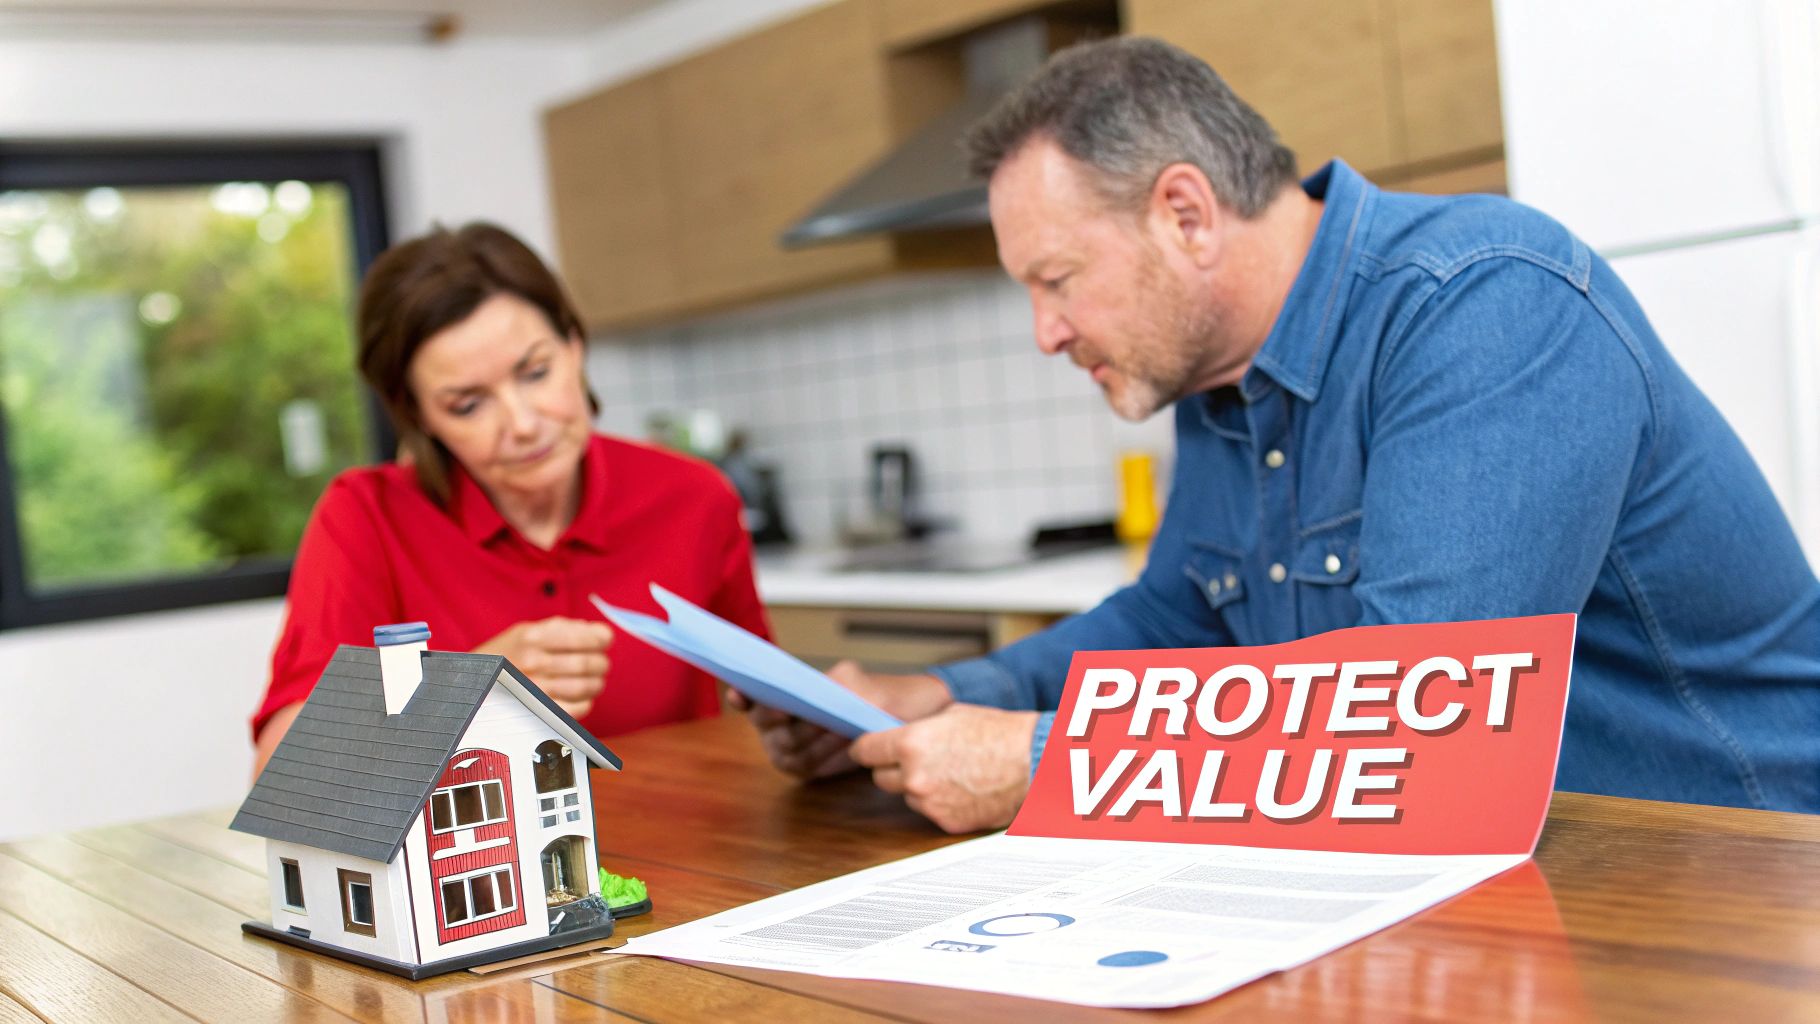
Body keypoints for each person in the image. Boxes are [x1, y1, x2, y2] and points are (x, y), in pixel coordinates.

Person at [736, 37, 1820, 830]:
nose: (1045, 333)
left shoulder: (1485, 303)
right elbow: (1175, 623)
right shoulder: (1219, 379)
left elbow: (1422, 729)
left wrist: (1045, 759)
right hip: (1492, 877)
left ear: (1185, 214)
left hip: (1729, 879)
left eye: (1056, 279)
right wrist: (947, 695)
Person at [252, 223, 768, 775]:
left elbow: (761, 710)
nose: (522, 424)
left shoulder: (695, 497)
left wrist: (805, 742)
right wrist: (466, 696)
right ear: (419, 416)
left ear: (574, 345)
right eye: (468, 405)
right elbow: (281, 773)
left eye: (536, 373)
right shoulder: (365, 518)